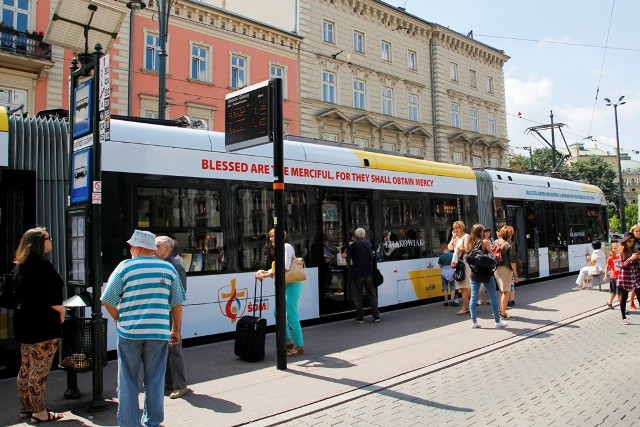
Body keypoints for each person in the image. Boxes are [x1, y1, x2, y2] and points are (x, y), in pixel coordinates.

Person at [101, 230, 186, 427]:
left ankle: (129, 424)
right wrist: (176, 330)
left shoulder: (125, 267)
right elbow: (177, 303)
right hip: (158, 333)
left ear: (139, 247)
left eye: (132, 246)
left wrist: (118, 319)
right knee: (155, 381)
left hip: (129, 333)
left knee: (127, 381)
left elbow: (107, 300)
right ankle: (152, 422)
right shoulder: (168, 269)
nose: (130, 249)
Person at [12, 227, 65, 423]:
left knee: (25, 367)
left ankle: (26, 409)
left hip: (24, 322)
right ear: (38, 243)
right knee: (39, 370)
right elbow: (51, 298)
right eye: (48, 238)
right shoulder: (43, 266)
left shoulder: (20, 265)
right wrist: (62, 311)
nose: (51, 240)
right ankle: (40, 412)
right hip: (43, 324)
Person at [256, 229, 305, 356]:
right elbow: (274, 269)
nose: (271, 239)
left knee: (291, 314)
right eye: (270, 236)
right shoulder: (275, 250)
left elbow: (285, 267)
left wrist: (266, 275)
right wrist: (262, 272)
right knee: (277, 312)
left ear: (279, 236)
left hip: (293, 283)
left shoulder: (286, 247)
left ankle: (299, 346)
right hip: (283, 283)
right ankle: (288, 341)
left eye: (273, 236)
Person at [155, 236, 189, 400]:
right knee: (164, 347)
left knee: (174, 348)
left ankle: (180, 385)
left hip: (170, 312)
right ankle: (168, 382)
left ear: (167, 248)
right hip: (161, 311)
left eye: (157, 246)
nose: (154, 249)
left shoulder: (175, 264)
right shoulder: (160, 263)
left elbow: (181, 293)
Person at [465, 224, 506, 329]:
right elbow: (491, 255)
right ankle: (497, 321)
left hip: (474, 272)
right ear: (480, 232)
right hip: (487, 273)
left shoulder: (469, 241)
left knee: (473, 297)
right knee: (493, 297)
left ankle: (474, 322)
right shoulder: (485, 242)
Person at [341, 227, 380, 323]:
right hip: (369, 273)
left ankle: (360, 317)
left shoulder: (354, 244)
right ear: (364, 235)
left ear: (355, 235)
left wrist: (341, 250)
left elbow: (344, 256)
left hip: (358, 273)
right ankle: (376, 316)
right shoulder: (367, 243)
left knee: (357, 295)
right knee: (372, 294)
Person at [493, 225, 519, 320]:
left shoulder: (496, 242)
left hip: (496, 268)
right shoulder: (510, 244)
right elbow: (512, 261)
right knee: (506, 292)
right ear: (510, 234)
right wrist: (515, 274)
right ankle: (503, 313)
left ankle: (501, 310)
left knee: (501, 291)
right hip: (506, 269)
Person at [614, 232, 639, 325]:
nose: (631, 243)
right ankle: (623, 317)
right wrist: (631, 259)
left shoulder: (634, 250)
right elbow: (620, 265)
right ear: (624, 242)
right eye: (629, 241)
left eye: (633, 241)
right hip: (624, 279)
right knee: (623, 298)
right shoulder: (620, 252)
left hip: (635, 278)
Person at [449, 221, 470, 315]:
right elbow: (449, 248)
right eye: (454, 228)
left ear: (461, 228)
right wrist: (453, 238)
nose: (455, 230)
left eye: (457, 228)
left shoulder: (466, 236)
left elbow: (467, 250)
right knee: (462, 287)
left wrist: (459, 248)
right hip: (458, 265)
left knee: (464, 287)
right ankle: (470, 305)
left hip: (464, 264)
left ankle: (465, 308)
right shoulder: (456, 238)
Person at [605, 242, 620, 309]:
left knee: (620, 293)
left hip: (621, 276)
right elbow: (607, 267)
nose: (616, 249)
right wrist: (606, 275)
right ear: (612, 249)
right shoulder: (610, 258)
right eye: (614, 248)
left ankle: (622, 307)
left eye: (617, 248)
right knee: (613, 292)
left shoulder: (620, 256)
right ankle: (609, 302)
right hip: (614, 277)